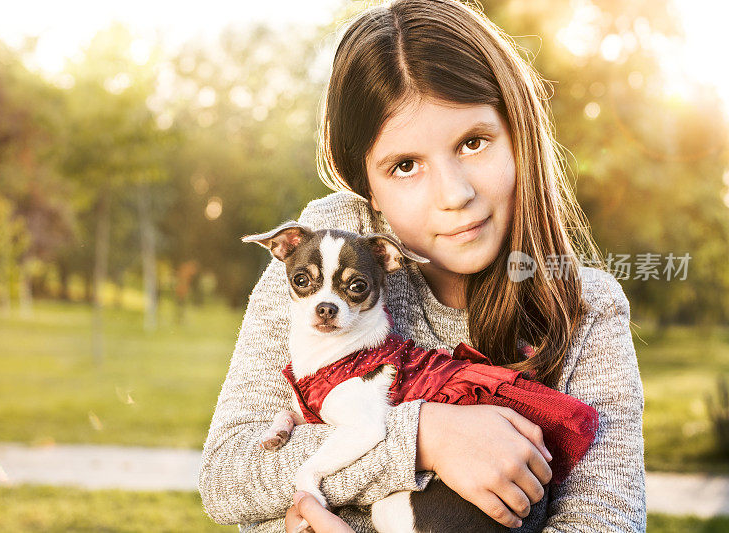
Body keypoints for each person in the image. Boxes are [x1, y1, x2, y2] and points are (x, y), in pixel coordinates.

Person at [197, 0, 646, 531]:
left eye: (473, 142)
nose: (454, 195)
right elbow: (230, 475)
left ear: (519, 136)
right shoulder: (325, 260)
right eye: (405, 166)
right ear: (366, 184)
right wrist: (423, 435)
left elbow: (605, 519)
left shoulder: (586, 309)